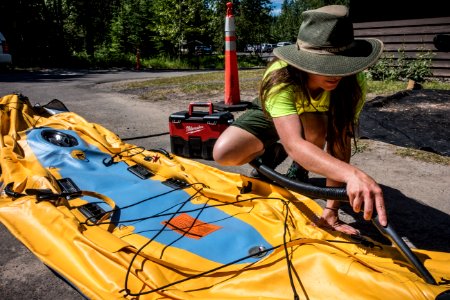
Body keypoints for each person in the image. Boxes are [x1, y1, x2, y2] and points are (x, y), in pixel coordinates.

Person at [213, 5, 387, 235]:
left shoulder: (353, 83)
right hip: (275, 115)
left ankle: (299, 171)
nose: (336, 75)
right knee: (225, 153)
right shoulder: (280, 77)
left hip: (314, 122)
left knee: (316, 125)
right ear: (304, 60)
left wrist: (331, 210)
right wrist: (351, 174)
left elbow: (340, 143)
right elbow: (295, 143)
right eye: (326, 66)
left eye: (342, 65)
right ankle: (273, 151)